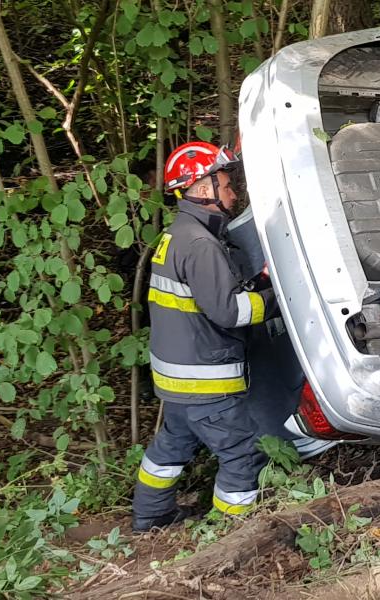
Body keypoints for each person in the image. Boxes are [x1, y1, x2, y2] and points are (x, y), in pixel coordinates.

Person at [131, 141, 275, 532]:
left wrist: (255, 281)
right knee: (243, 453)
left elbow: (205, 296)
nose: (232, 193)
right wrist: (276, 297)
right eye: (226, 185)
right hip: (204, 381)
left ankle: (149, 516)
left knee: (171, 447)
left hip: (176, 380)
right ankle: (229, 536)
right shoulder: (200, 245)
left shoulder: (179, 234)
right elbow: (231, 312)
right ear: (202, 189)